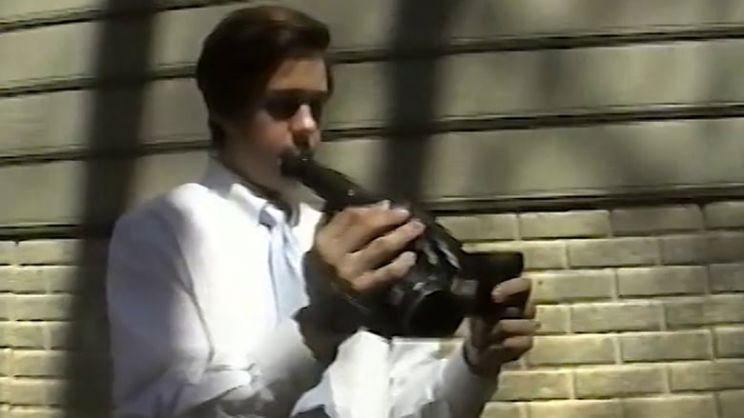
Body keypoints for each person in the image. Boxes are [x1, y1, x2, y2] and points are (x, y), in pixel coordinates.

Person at [106, 5, 538, 418]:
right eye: (283, 105)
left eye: (316, 106)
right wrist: (317, 327)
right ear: (224, 110)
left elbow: (404, 405)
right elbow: (172, 409)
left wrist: (476, 363)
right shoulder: (163, 231)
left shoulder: (342, 238)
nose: (307, 127)